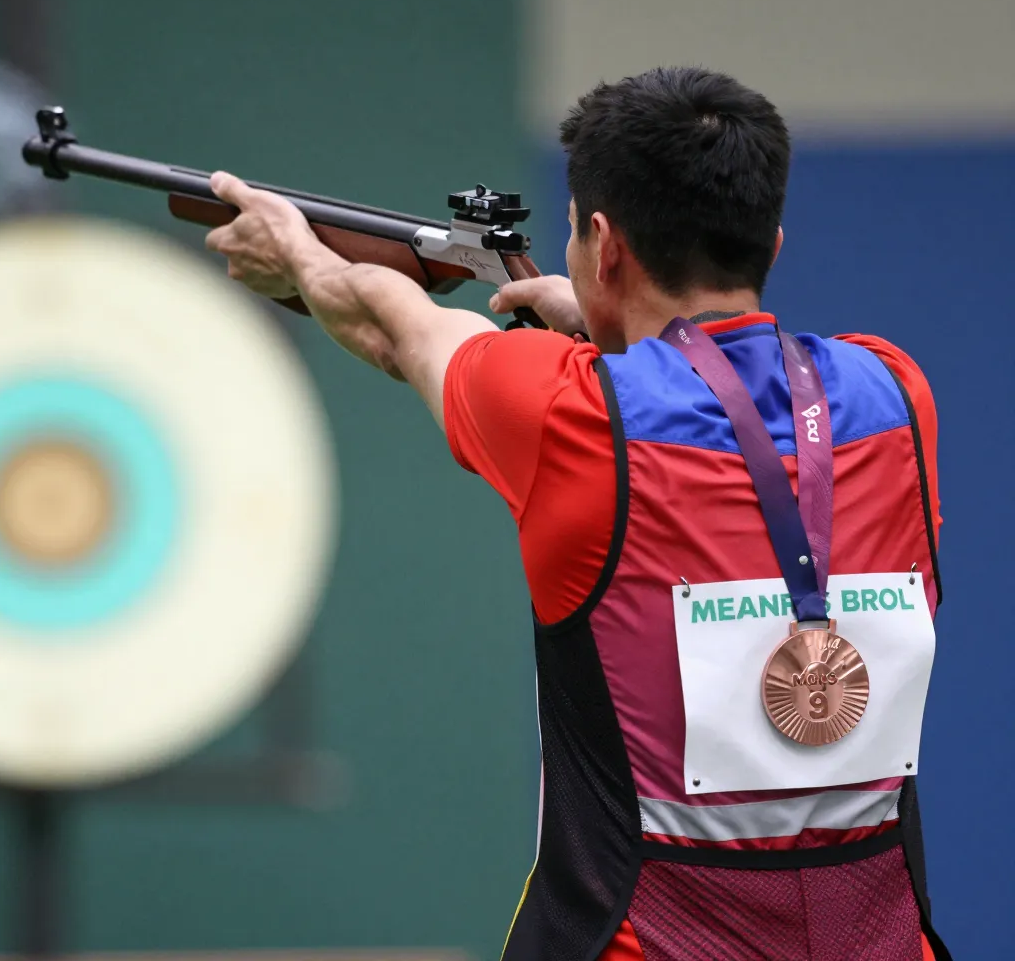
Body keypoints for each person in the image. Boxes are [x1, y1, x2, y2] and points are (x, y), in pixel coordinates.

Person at [202, 67, 949, 961]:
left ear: (604, 243)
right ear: (773, 243)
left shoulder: (571, 414)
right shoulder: (898, 392)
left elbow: (391, 320)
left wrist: (299, 255)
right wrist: (615, 330)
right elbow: (749, 405)